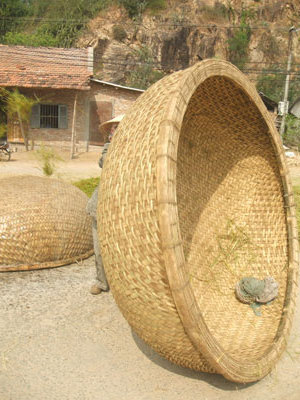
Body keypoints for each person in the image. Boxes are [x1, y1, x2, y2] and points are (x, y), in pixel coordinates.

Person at [86, 115, 124, 295]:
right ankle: (102, 282)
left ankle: (121, 283)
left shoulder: (135, 152)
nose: (113, 131)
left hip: (122, 207)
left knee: (121, 248)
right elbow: (105, 162)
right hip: (100, 206)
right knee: (99, 248)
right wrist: (113, 144)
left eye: (117, 128)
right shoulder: (108, 149)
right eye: (112, 128)